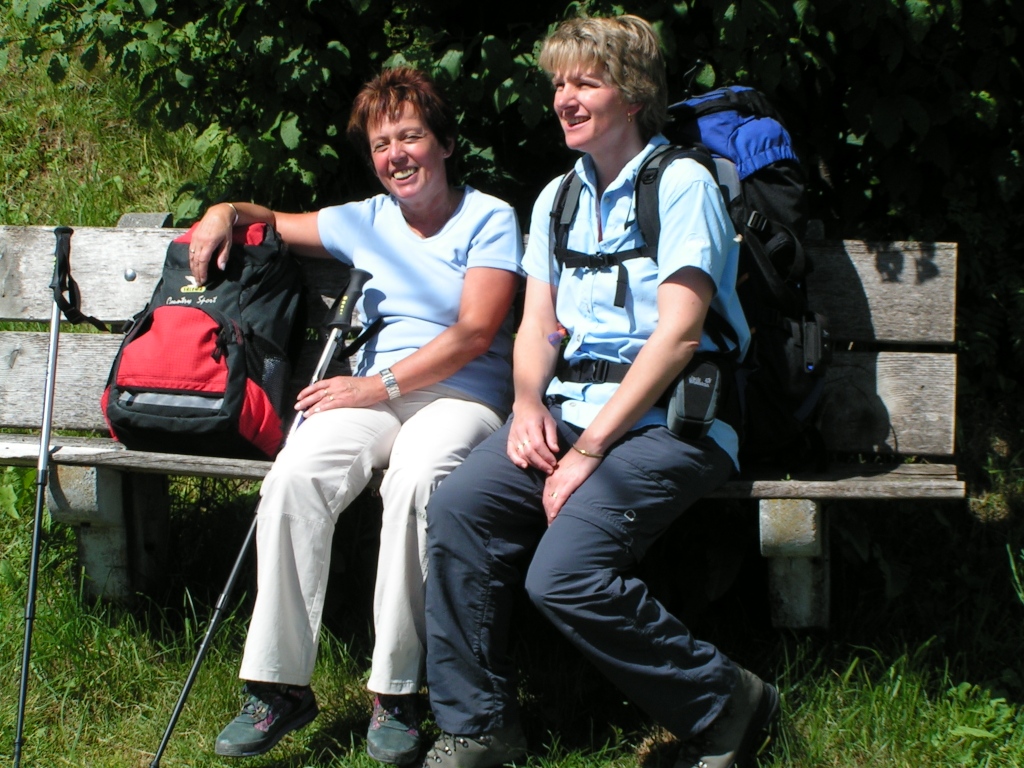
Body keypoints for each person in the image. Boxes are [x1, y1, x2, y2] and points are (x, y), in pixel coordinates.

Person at [420, 15, 777, 768]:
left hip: (672, 425)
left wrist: (587, 452)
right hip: (566, 415)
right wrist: (525, 405)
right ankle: (478, 726)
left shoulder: (682, 185)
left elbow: (679, 336)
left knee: (564, 576)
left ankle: (727, 703)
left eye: (585, 82)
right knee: (458, 509)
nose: (565, 98)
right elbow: (537, 326)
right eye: (559, 83)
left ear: (635, 94)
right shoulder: (558, 197)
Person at [186, 67, 523, 764]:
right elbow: (267, 219)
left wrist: (377, 385)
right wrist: (223, 211)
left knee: (418, 483)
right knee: (295, 475)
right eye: (381, 144)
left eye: (410, 137)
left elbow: (475, 333)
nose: (396, 155)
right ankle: (278, 684)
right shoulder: (364, 220)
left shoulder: (489, 217)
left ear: (445, 143)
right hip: (373, 395)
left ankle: (397, 692)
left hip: (461, 396)